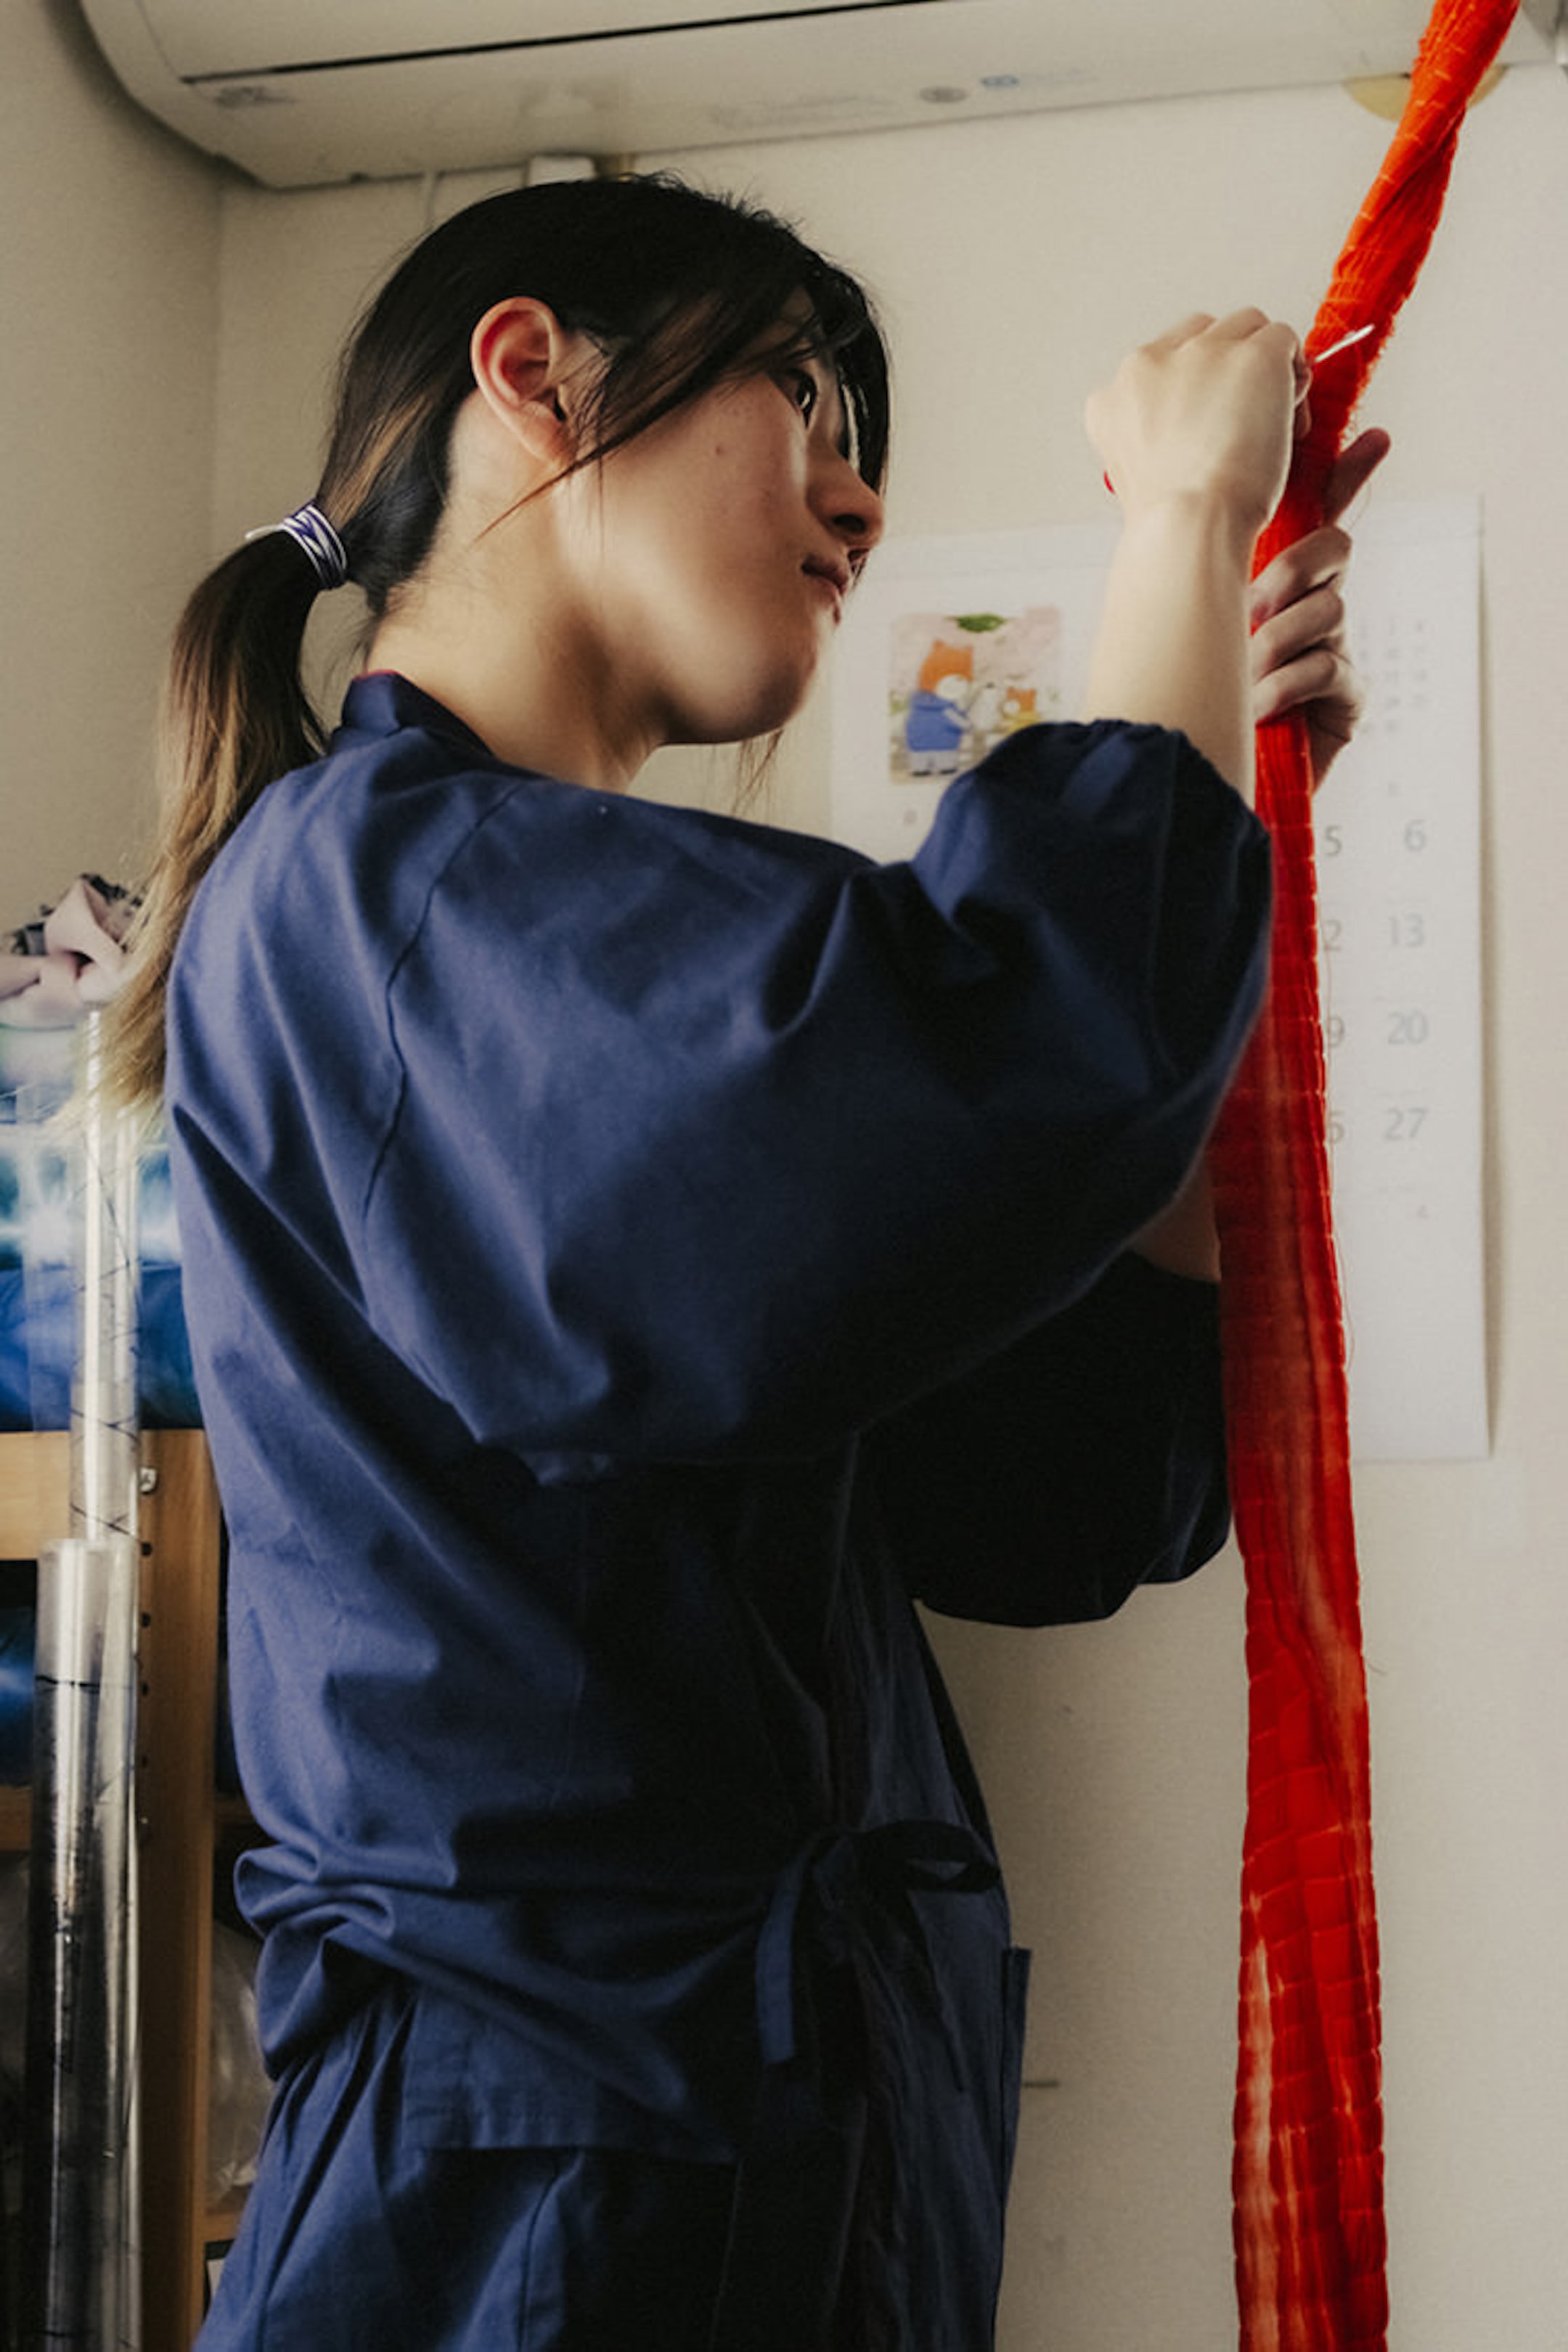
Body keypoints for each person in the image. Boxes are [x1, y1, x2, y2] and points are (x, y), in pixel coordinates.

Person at [109, 173, 1387, 2349]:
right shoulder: (378, 888)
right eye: (801, 396)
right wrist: (1178, 529)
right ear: (536, 375)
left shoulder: (534, 930)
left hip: (743, 2175)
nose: (860, 497)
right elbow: (1029, 1067)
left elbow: (1053, 1477)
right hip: (547, 2217)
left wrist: (1212, 809)